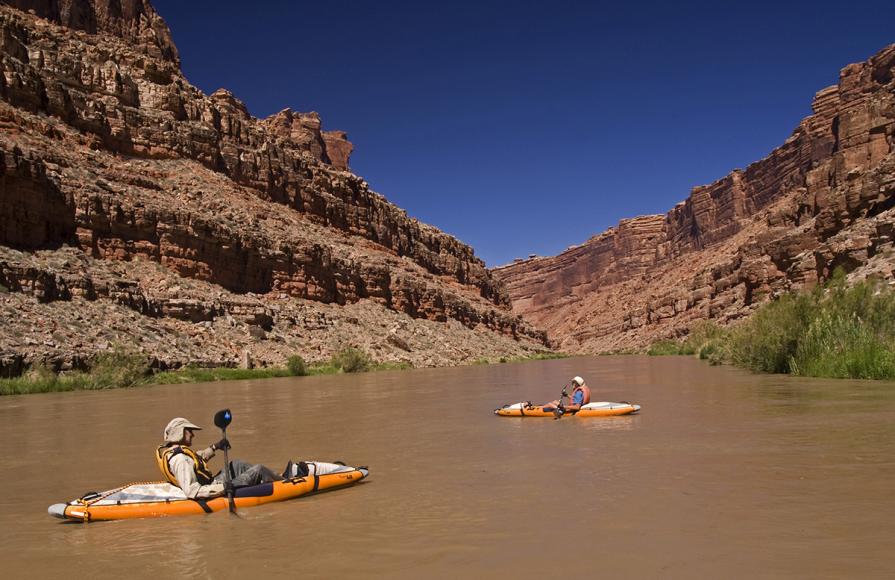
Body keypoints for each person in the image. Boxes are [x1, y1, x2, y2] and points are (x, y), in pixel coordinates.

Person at [155, 417, 293, 499]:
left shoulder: (175, 452)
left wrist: (215, 446)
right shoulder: (180, 460)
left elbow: (196, 459)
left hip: (210, 482)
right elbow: (192, 491)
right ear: (180, 433)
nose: (193, 435)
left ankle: (270, 477)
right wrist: (224, 487)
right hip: (211, 488)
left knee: (237, 464)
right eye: (190, 431)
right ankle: (285, 482)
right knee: (258, 469)